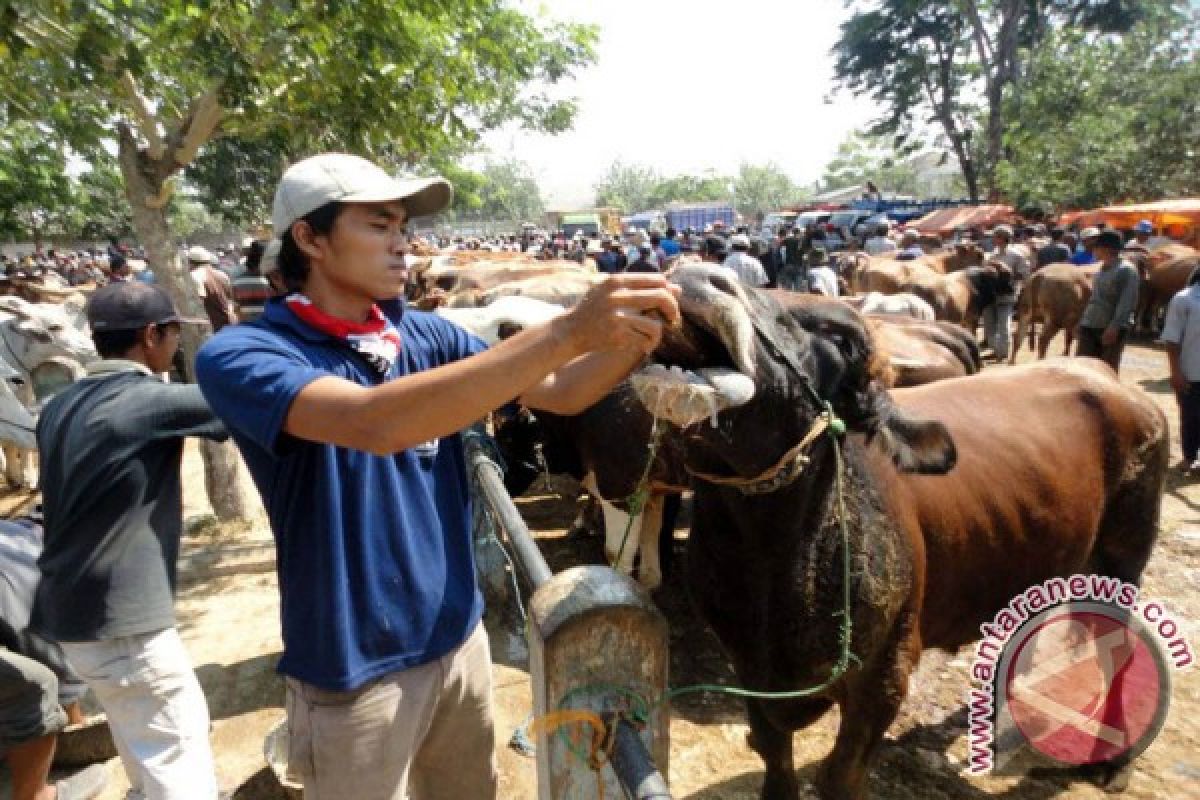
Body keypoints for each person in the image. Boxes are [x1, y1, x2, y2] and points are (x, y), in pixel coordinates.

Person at [193, 153, 679, 800]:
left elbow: (561, 392)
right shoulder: (246, 354)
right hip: (353, 665)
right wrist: (568, 328)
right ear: (308, 238)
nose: (404, 242)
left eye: (403, 224)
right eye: (379, 225)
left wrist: (638, 338)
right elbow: (373, 422)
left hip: (458, 637)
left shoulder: (424, 333)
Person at [30, 282, 229, 800]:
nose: (177, 347)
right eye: (173, 336)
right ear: (150, 335)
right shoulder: (147, 401)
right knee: (178, 756)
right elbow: (247, 408)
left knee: (143, 744)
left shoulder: (58, 405)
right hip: (122, 625)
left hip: (70, 614)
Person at [3, 515, 110, 800]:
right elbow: (49, 655)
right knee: (33, 686)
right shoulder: (21, 565)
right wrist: (76, 725)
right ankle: (36, 795)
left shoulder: (14, 542)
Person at [1076, 229, 1138, 372]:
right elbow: (1095, 298)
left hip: (1109, 327)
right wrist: (1083, 320)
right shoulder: (1101, 269)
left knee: (1106, 369)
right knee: (1082, 368)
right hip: (1091, 323)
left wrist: (1114, 327)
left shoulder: (1126, 270)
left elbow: (1127, 302)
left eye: (1095, 248)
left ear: (1106, 249)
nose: (1093, 252)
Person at [1161, 266, 1200, 474]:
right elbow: (1172, 339)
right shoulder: (1184, 299)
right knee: (1191, 417)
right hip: (1192, 370)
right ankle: (1189, 456)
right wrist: (1175, 371)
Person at [981, 225, 1030, 362]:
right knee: (989, 327)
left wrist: (1008, 275)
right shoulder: (990, 255)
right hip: (990, 295)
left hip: (1007, 295)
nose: (993, 239)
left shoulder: (1016, 255)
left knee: (1004, 325)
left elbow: (1025, 274)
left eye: (996, 236)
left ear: (1003, 238)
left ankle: (1002, 353)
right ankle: (997, 350)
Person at [187, 246, 238, 332]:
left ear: (190, 262)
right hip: (228, 323)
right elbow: (231, 299)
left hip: (211, 326)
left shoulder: (195, 276)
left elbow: (199, 303)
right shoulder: (221, 275)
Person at [231, 240, 274, 322]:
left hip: (247, 327)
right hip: (268, 327)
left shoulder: (237, 282)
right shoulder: (271, 281)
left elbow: (236, 308)